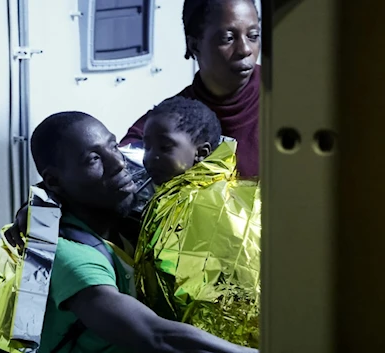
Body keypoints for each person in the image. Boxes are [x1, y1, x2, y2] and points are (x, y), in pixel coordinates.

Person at [31, 111, 257, 353]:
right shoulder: (68, 255)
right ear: (53, 181)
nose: (119, 163)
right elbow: (155, 336)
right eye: (93, 159)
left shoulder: (134, 219)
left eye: (114, 146)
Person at [121, 0, 261, 177]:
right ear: (195, 45)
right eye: (228, 38)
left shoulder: (290, 95)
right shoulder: (169, 123)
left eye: (253, 36)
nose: (245, 49)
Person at [141, 96, 222, 185]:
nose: (151, 157)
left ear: (201, 153)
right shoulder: (146, 189)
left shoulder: (212, 196)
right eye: (147, 147)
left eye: (165, 147)